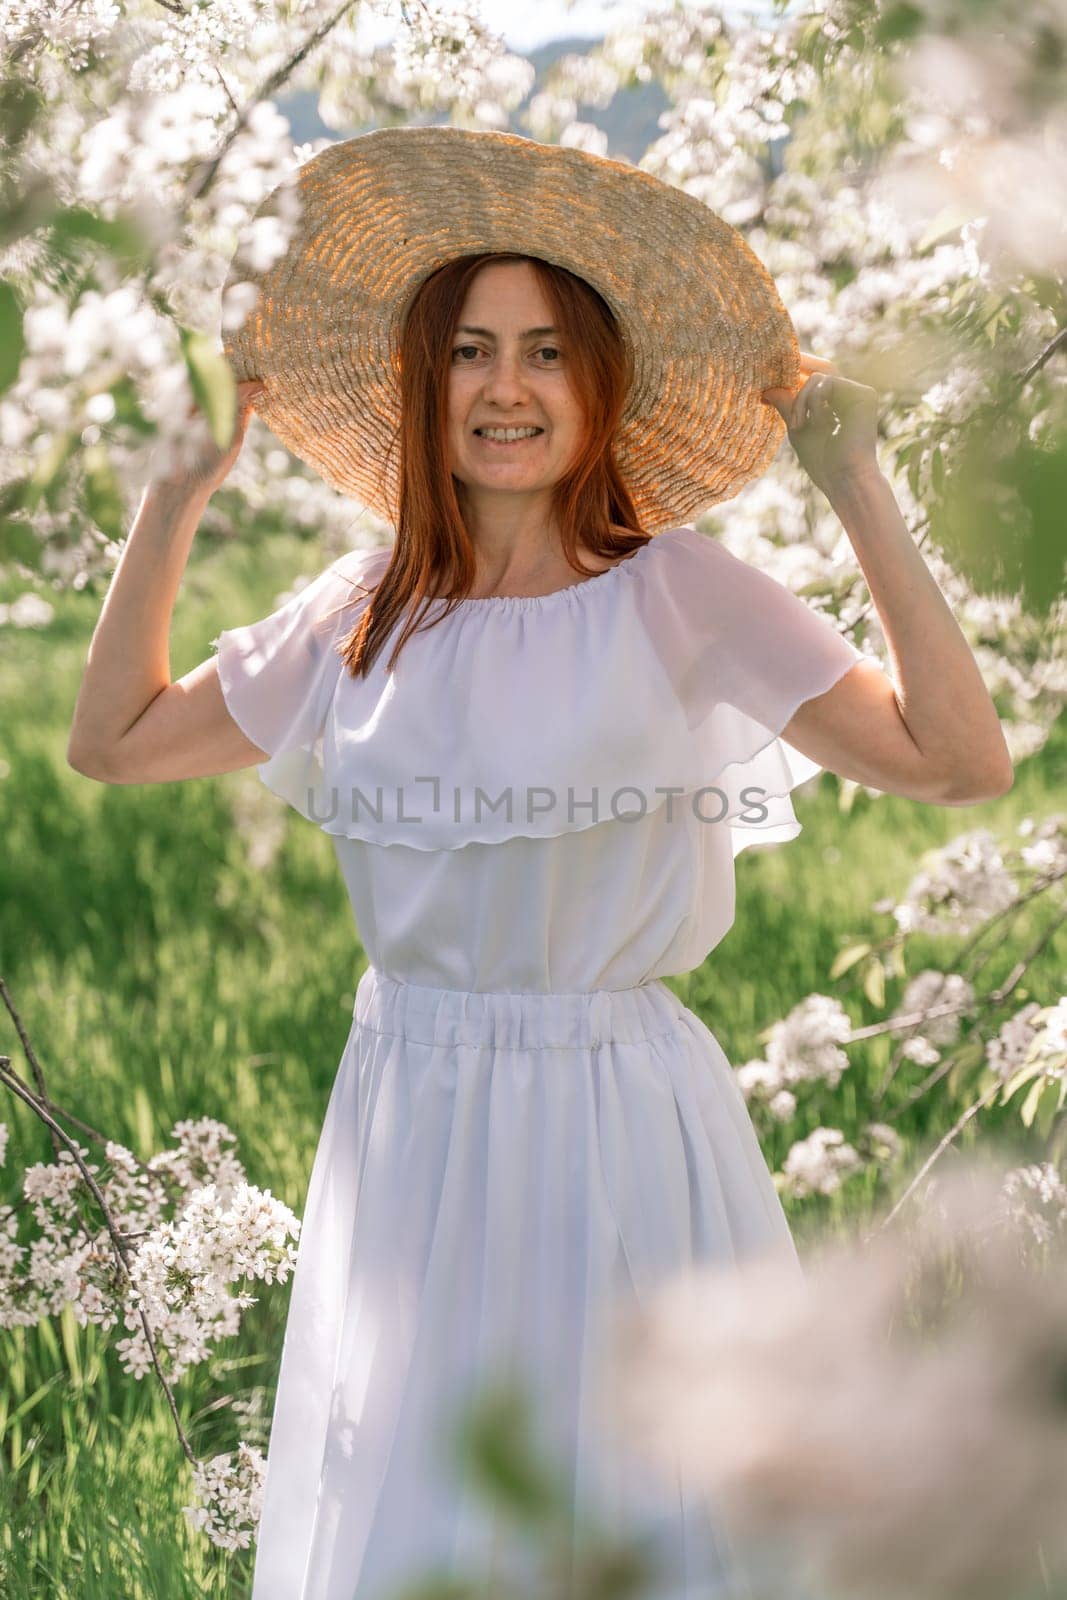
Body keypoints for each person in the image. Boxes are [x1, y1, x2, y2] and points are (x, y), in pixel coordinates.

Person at [66, 128, 1014, 1600]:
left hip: (616, 1113)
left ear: (601, 384)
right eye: (469, 352)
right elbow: (115, 740)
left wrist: (861, 494)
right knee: (423, 1505)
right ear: (421, 384)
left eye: (548, 353)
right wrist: (175, 491)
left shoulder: (680, 593)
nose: (506, 388)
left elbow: (958, 762)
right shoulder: (361, 610)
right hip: (407, 1126)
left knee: (641, 1506)